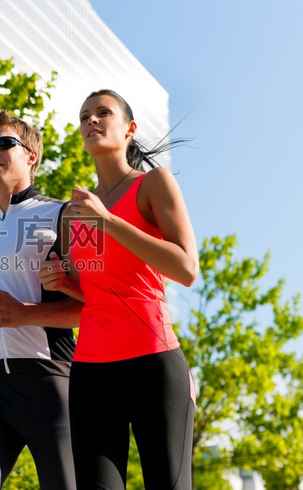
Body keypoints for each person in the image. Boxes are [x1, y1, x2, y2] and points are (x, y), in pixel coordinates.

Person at [39, 89, 198, 489]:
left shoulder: (152, 184)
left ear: (129, 129)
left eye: (102, 112)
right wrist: (64, 283)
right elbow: (102, 292)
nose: (91, 120)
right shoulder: (79, 211)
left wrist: (107, 221)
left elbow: (186, 268)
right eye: (84, 116)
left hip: (153, 362)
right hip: (91, 369)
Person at [0, 110, 81, 490]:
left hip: (50, 383)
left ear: (31, 156)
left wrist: (26, 314)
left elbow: (97, 308)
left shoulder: (65, 215)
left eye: (5, 143)